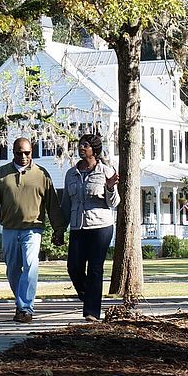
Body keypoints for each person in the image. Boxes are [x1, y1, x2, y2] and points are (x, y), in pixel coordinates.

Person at [0, 137, 64, 323]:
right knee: (13, 269)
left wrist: (59, 229)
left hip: (33, 229)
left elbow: (53, 204)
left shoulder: (41, 174)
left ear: (31, 151)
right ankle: (21, 303)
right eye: (19, 153)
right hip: (9, 228)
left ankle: (25, 308)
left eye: (27, 153)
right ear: (13, 152)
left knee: (31, 265)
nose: (23, 156)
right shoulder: (2, 173)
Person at [61, 132, 120, 322]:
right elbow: (66, 204)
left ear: (94, 149)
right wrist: (60, 228)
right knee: (74, 267)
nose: (81, 148)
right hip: (78, 227)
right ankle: (89, 297)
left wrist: (110, 188)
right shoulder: (71, 173)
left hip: (101, 227)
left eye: (85, 145)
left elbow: (114, 203)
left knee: (95, 269)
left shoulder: (106, 171)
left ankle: (91, 312)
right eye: (80, 145)